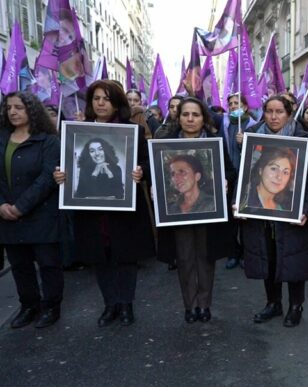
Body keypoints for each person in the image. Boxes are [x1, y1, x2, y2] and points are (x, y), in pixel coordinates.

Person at [53, 80, 155, 327]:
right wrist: (61, 176)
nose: (100, 103)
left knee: (125, 257)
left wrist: (141, 172)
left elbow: (147, 164)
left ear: (116, 103)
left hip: (125, 209)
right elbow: (68, 165)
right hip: (91, 210)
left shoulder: (133, 131)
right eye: (96, 98)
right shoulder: (78, 131)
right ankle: (110, 304)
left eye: (106, 99)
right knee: (100, 256)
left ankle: (126, 304)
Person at [155, 97, 236, 324]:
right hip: (178, 214)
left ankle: (204, 304)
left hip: (208, 211)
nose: (190, 119)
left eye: (196, 115)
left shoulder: (215, 142)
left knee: (205, 258)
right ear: (178, 117)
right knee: (184, 258)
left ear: (204, 118)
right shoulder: (166, 143)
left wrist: (226, 182)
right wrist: (155, 185)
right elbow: (159, 174)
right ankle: (189, 306)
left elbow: (229, 171)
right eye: (185, 114)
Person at [243, 95, 308, 327]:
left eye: (279, 112)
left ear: (289, 114)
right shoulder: (253, 137)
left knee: (294, 258)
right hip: (263, 210)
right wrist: (243, 201)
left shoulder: (306, 140)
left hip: (294, 211)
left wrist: (305, 207)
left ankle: (296, 305)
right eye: (269, 111)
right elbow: (246, 174)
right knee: (269, 257)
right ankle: (273, 303)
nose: (274, 117)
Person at [0, 91, 63, 329]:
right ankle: (28, 306)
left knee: (48, 264)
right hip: (7, 215)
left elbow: (48, 177)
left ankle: (51, 307)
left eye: (19, 107)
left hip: (41, 214)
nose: (13, 112)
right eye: (9, 108)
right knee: (20, 265)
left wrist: (20, 206)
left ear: (31, 110)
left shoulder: (47, 140)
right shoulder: (2, 138)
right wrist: (2, 206)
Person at [222, 94, 258, 270]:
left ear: (245, 107)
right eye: (230, 104)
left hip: (247, 177)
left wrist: (245, 143)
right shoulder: (225, 124)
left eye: (237, 103)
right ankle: (232, 252)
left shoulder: (253, 126)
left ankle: (245, 253)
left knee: (244, 217)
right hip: (229, 176)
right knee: (229, 218)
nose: (233, 106)